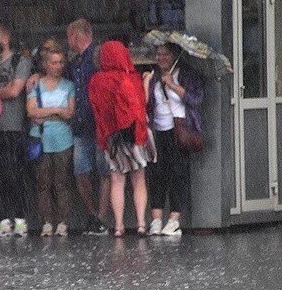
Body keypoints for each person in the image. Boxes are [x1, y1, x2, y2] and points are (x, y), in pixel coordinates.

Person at [88, 41, 155, 237]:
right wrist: (146, 83)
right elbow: (141, 105)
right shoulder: (130, 78)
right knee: (138, 180)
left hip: (111, 139)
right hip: (133, 136)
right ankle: (141, 224)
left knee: (117, 180)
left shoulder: (95, 81)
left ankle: (118, 226)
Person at [144, 42, 204, 236]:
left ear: (175, 55)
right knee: (157, 174)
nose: (161, 58)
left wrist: (173, 85)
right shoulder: (153, 76)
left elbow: (196, 99)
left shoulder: (186, 74)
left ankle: (174, 220)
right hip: (158, 130)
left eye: (166, 54)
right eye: (158, 54)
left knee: (179, 173)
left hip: (179, 129)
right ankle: (156, 219)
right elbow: (146, 105)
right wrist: (147, 84)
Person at [0, 23, 32, 237]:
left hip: (13, 126)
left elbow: (15, 91)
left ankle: (20, 218)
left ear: (4, 39)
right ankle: (4, 218)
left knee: (15, 174)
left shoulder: (20, 61)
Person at [66, 19, 111, 235]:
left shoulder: (98, 56)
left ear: (76, 36)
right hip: (82, 123)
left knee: (104, 171)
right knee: (81, 171)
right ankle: (94, 215)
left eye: (69, 37)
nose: (68, 42)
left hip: (100, 122)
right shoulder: (74, 62)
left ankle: (100, 217)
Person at [27, 45, 76, 237]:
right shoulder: (35, 85)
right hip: (41, 137)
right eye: (54, 63)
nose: (58, 66)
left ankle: (63, 222)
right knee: (43, 183)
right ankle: (46, 222)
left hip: (63, 138)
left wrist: (45, 112)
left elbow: (70, 113)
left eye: (60, 63)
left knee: (62, 182)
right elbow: (31, 111)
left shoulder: (69, 85)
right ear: (46, 64)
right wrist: (57, 110)